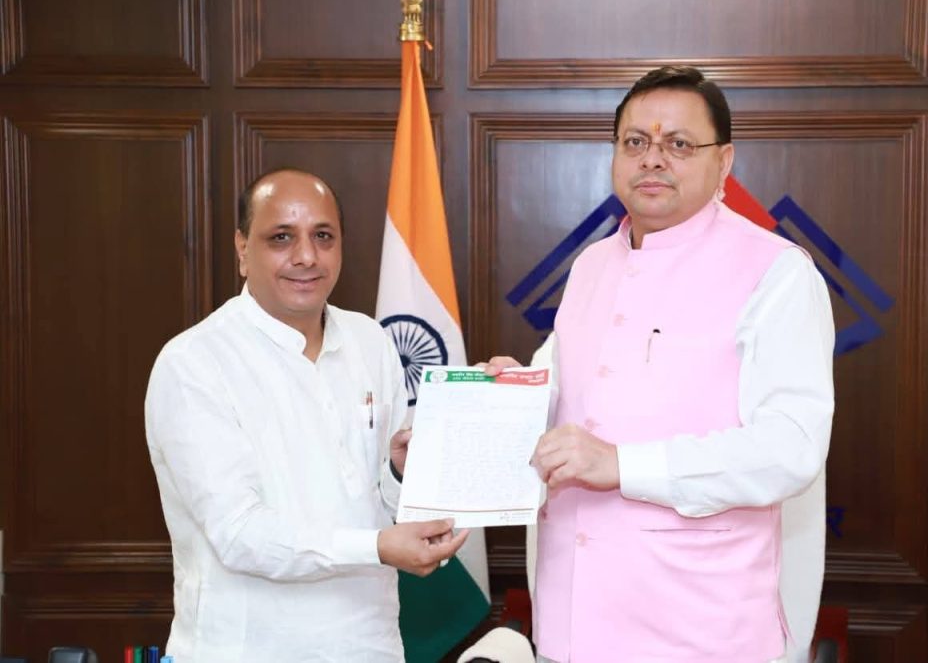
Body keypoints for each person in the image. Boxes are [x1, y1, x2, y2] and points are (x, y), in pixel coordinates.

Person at [485, 66, 835, 662]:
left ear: (724, 162)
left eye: (679, 144)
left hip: (698, 627)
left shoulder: (777, 272)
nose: (652, 159)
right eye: (635, 142)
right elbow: (561, 396)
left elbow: (790, 449)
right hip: (569, 618)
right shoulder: (592, 265)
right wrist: (499, 402)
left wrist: (623, 465)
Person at [145, 169, 468, 662]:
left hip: (370, 646)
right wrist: (376, 547)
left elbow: (382, 501)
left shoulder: (371, 342)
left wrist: (402, 471)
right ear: (242, 249)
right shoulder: (193, 363)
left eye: (323, 236)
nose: (306, 256)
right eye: (281, 237)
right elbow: (239, 534)